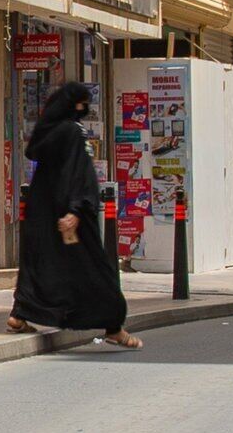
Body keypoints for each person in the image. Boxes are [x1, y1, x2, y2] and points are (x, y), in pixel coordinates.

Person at [7, 80, 139, 347]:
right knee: (97, 271)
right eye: (81, 103)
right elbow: (78, 173)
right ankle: (113, 325)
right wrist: (76, 210)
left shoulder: (48, 132)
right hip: (71, 217)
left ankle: (19, 315)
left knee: (40, 266)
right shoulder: (73, 132)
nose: (84, 108)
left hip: (41, 213)